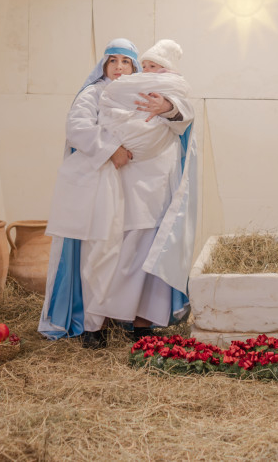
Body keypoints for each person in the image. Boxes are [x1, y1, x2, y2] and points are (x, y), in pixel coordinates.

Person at [40, 39, 196, 347]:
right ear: (104, 65)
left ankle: (135, 318)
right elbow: (78, 128)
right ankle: (92, 324)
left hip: (146, 188)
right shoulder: (94, 93)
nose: (120, 68)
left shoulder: (147, 90)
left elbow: (181, 116)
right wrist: (112, 149)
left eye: (127, 62)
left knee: (139, 252)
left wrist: (166, 107)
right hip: (105, 184)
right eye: (114, 62)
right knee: (101, 252)